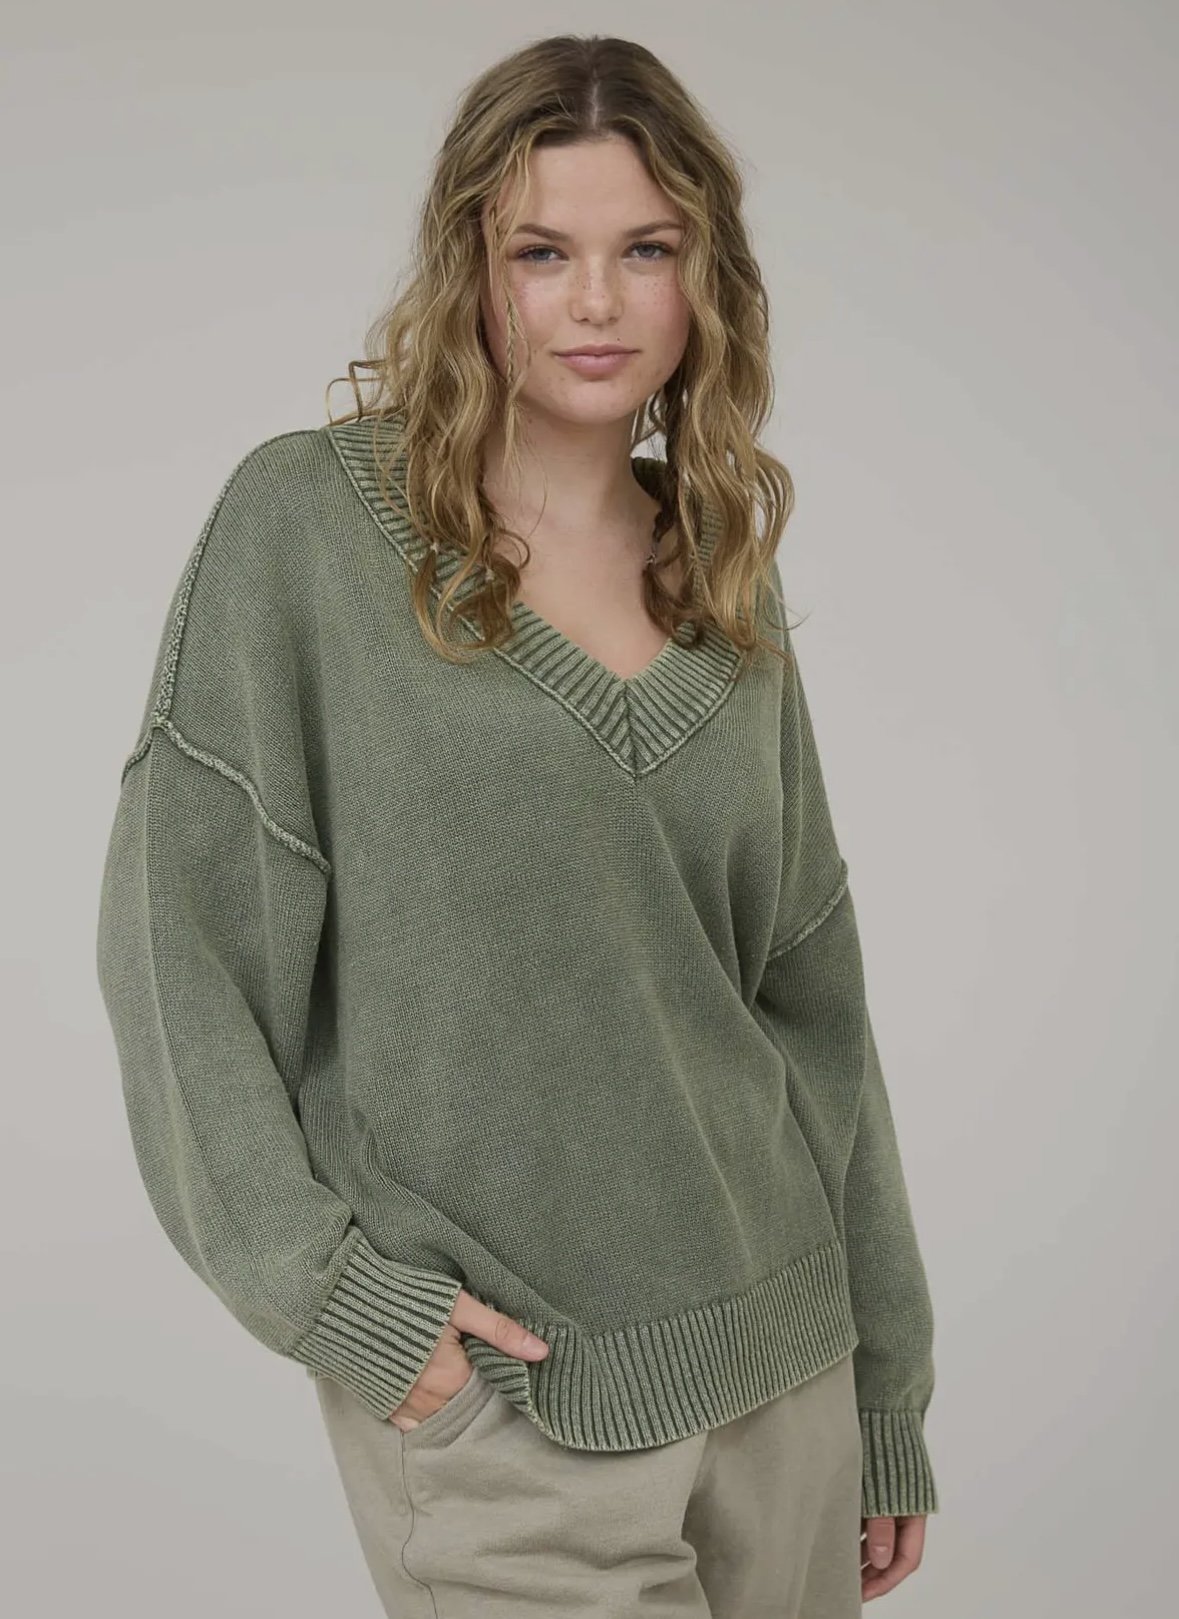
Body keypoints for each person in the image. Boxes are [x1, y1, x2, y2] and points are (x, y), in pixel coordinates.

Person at [95, 32, 939, 1617]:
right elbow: (179, 955)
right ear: (471, 271)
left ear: (706, 278)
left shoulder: (722, 581)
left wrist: (888, 1385)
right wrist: (332, 1294)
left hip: (787, 1377)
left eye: (647, 250)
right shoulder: (310, 534)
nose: (597, 302)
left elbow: (812, 1003)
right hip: (508, 1404)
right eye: (542, 252)